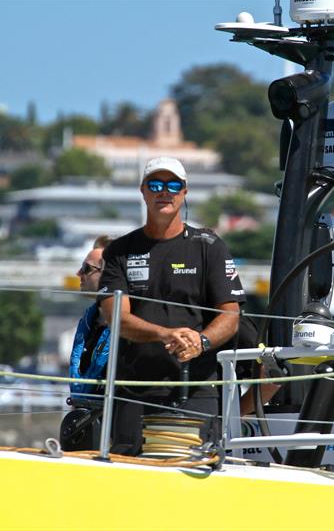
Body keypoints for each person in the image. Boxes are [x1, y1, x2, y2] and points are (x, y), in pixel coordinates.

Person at [98, 156, 245, 452]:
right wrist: (165, 334)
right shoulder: (119, 251)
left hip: (198, 388)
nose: (164, 192)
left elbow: (231, 316)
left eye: (172, 185)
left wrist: (201, 342)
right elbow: (115, 316)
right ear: (143, 191)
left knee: (195, 478)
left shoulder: (210, 246)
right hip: (135, 388)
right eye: (155, 184)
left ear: (184, 192)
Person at [68, 235, 113, 400]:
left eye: (86, 268)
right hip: (85, 411)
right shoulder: (89, 320)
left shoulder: (127, 325)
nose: (79, 273)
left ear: (108, 273)